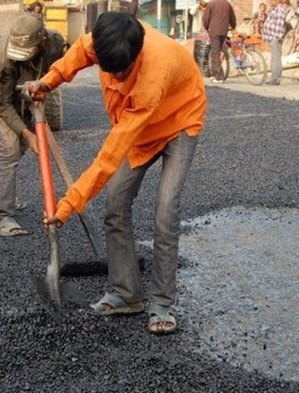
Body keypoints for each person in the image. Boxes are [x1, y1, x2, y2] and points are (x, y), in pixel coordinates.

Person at [26, 12, 207, 335]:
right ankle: (126, 293)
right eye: (112, 72)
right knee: (115, 203)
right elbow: (77, 55)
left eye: (124, 72)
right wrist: (48, 81)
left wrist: (66, 207)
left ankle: (162, 302)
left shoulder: (154, 73)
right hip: (140, 127)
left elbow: (109, 157)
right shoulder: (101, 41)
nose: (117, 78)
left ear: (137, 55)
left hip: (180, 121)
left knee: (165, 210)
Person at [0, 14, 66, 237]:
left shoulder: (55, 43)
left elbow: (58, 70)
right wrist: (27, 134)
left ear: (42, 41)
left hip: (27, 89)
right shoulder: (3, 58)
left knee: (21, 148)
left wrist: (41, 88)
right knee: (11, 146)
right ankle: (0, 216)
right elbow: (1, 102)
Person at [201, 0, 235, 83]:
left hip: (214, 31)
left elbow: (205, 19)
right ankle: (214, 74)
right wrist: (233, 26)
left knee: (215, 53)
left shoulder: (211, 4)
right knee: (217, 51)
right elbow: (232, 18)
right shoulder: (227, 4)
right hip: (224, 31)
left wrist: (206, 27)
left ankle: (219, 77)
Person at [261, 0, 288, 85]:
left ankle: (275, 78)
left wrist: (276, 37)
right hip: (272, 38)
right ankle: (275, 78)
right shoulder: (275, 10)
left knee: (276, 59)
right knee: (275, 58)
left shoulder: (279, 11)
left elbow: (280, 26)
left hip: (275, 38)